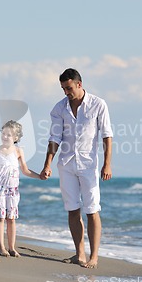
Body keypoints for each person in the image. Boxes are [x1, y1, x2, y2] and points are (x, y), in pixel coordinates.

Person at [40, 68, 113, 269]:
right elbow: (54, 138)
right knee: (72, 209)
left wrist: (107, 163)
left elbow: (107, 135)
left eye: (69, 88)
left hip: (89, 165)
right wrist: (48, 164)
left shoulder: (98, 104)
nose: (66, 92)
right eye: (63, 88)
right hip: (67, 164)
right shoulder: (59, 109)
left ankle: (94, 256)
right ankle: (79, 254)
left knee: (92, 210)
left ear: (79, 84)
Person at [0, 120, 42, 257]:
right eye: (3, 133)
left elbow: (25, 170)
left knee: (11, 219)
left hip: (12, 190)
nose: (5, 137)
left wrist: (39, 176)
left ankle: (12, 247)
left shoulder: (18, 151)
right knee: (0, 218)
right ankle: (1, 247)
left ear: (16, 138)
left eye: (9, 135)